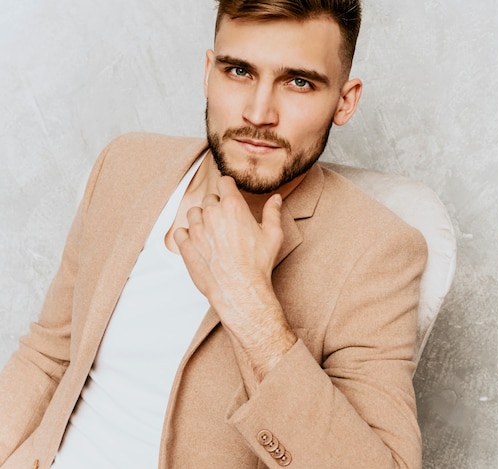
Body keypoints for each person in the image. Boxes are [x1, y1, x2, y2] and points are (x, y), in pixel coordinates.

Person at [0, 0, 427, 467]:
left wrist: (254, 311)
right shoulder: (125, 164)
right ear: (208, 72)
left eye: (298, 82)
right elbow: (49, 355)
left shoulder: (379, 251)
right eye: (239, 71)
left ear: (344, 101)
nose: (259, 113)